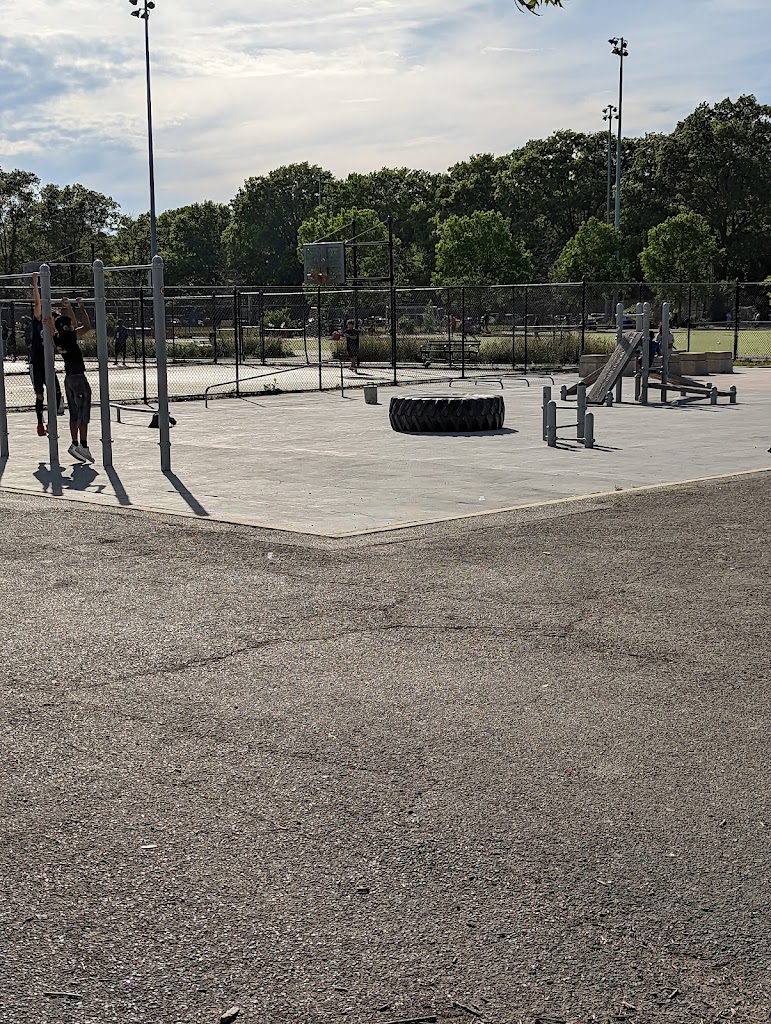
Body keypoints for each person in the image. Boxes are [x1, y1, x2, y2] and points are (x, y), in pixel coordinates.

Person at [44, 297, 94, 464]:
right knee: (83, 413)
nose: (74, 326)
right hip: (79, 377)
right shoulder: (69, 336)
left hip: (69, 378)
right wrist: (77, 306)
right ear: (67, 327)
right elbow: (86, 326)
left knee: (74, 413)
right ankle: (83, 446)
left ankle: (75, 443)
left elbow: (53, 336)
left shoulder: (58, 337)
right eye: (71, 326)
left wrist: (51, 323)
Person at [29, 272, 64, 436]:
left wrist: (52, 326)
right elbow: (37, 303)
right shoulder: (38, 319)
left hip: (48, 364)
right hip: (36, 363)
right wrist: (35, 284)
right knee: (40, 396)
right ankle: (39, 423)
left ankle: (51, 422)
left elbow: (58, 344)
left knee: (56, 394)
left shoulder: (52, 327)